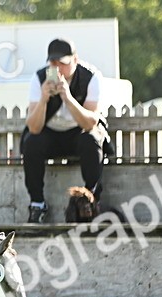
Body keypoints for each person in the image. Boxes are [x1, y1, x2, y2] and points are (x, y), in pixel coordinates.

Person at [22, 37, 111, 224]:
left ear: (75, 60)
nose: (58, 69)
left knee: (91, 140)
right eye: (53, 64)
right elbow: (34, 127)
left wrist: (68, 98)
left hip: (78, 132)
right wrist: (44, 99)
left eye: (62, 63)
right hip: (51, 134)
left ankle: (90, 200)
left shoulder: (90, 77)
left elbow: (90, 123)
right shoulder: (39, 79)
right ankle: (37, 203)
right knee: (31, 142)